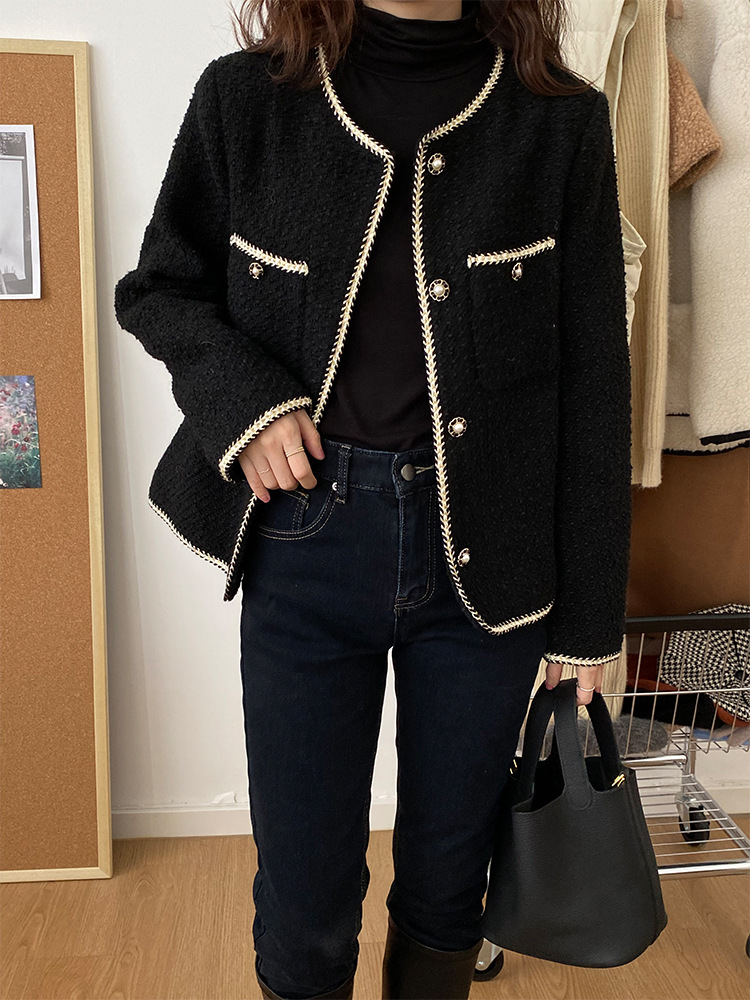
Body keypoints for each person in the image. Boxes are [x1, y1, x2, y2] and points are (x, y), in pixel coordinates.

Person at [114, 1, 632, 997]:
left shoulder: (557, 121)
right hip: (305, 540)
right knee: (306, 898)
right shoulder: (247, 101)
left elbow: (594, 380)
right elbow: (162, 288)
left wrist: (588, 623)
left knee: (449, 889)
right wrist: (248, 404)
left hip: (491, 558)